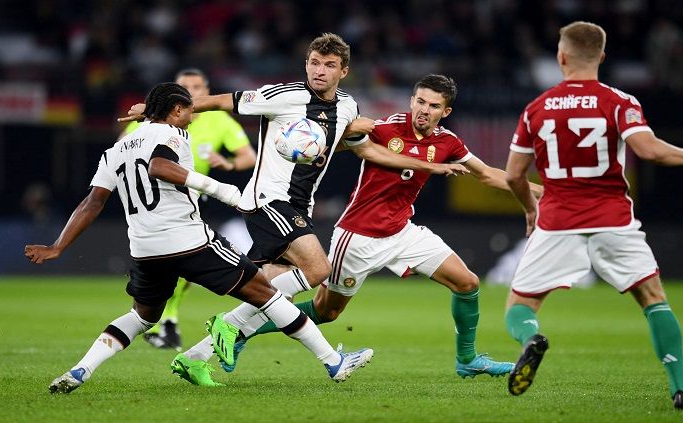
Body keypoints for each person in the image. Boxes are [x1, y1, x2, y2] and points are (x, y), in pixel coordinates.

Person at [121, 33, 468, 385]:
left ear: (343, 71)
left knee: (265, 291)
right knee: (319, 269)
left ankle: (195, 356)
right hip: (268, 201)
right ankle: (252, 332)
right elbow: (220, 101)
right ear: (306, 64)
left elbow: (364, 149)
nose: (320, 71)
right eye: (314, 63)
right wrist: (155, 112)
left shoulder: (347, 106)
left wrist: (427, 165)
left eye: (329, 65)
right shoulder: (282, 95)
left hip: (299, 206)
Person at [26, 82, 373, 393]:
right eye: (190, 110)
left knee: (142, 317)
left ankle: (81, 369)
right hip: (188, 240)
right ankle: (333, 362)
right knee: (267, 295)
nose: (193, 116)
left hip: (145, 249)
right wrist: (223, 190)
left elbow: (92, 202)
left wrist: (58, 246)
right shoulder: (173, 135)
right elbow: (159, 167)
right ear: (176, 110)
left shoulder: (115, 151)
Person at [220, 74, 544, 379]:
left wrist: (542, 191)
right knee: (327, 311)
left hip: (403, 232)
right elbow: (342, 140)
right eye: (419, 101)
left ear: (445, 111)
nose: (423, 110)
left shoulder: (448, 143)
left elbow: (486, 173)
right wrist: (340, 131)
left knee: (467, 283)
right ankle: (242, 330)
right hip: (357, 236)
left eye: (433, 106)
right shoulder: (386, 128)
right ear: (412, 100)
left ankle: (468, 360)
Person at [502, 21, 683, 409]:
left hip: (557, 221)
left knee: (521, 305)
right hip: (613, 219)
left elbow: (513, 175)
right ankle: (680, 389)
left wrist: (530, 209)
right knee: (653, 298)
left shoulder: (536, 109)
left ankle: (531, 340)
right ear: (602, 57)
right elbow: (651, 150)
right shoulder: (619, 101)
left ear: (561, 57)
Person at [122, 68, 257, 351]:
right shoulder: (152, 119)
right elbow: (122, 149)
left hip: (193, 200)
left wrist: (229, 164)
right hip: (153, 201)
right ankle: (161, 320)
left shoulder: (218, 120)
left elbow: (249, 157)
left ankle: (165, 320)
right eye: (186, 86)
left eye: (198, 86)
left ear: (206, 91)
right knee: (167, 263)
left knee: (182, 266)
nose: (193, 90)